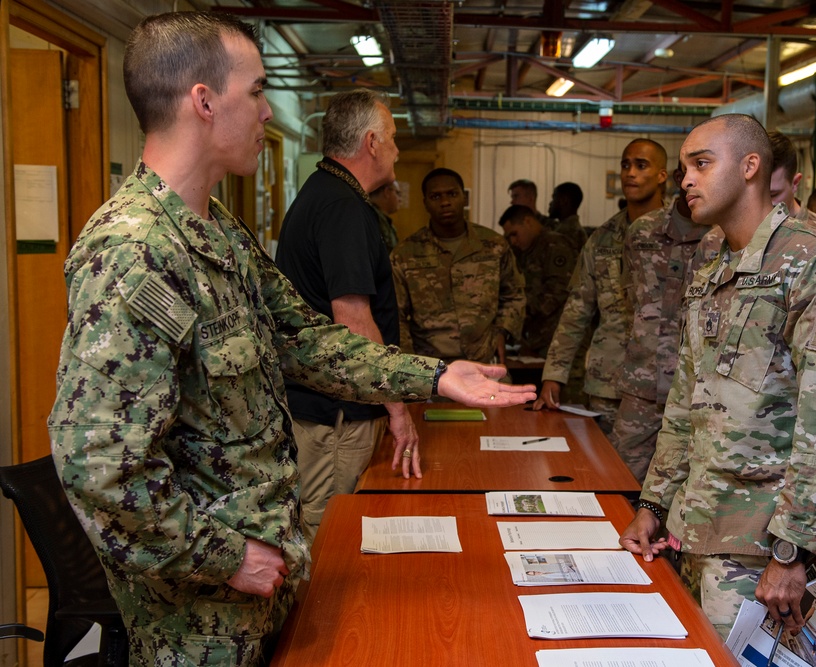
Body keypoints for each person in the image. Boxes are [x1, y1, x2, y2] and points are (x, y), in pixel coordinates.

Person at [46, 13, 535, 666]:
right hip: (201, 620)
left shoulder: (216, 229)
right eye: (256, 92)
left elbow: (303, 338)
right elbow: (99, 469)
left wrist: (435, 376)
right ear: (203, 101)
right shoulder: (136, 251)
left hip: (264, 585)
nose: (268, 113)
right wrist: (227, 557)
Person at [618, 113, 816, 640]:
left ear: (751, 167)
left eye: (702, 164)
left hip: (761, 550)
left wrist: (791, 551)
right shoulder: (713, 259)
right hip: (694, 529)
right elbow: (686, 397)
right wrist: (653, 502)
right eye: (684, 168)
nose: (686, 179)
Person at [274, 90, 417, 545]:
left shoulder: (327, 193)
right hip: (335, 414)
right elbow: (353, 319)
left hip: (330, 405)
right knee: (329, 534)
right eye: (393, 138)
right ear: (372, 143)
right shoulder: (342, 207)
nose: (398, 149)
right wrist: (397, 406)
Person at [532, 141, 666, 435]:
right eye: (625, 165)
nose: (630, 173)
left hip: (666, 385)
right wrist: (554, 374)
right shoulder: (601, 239)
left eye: (641, 165)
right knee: (606, 470)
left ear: (662, 175)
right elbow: (576, 311)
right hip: (609, 381)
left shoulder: (682, 235)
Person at [612, 145, 715, 482]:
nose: (691, 182)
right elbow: (629, 298)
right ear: (674, 177)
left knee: (689, 481)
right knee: (621, 477)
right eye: (686, 172)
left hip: (699, 389)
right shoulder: (642, 231)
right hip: (642, 382)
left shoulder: (721, 237)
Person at [392, 168, 525, 364]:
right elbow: (396, 314)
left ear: (464, 198)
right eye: (435, 196)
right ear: (425, 203)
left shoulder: (494, 246)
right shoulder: (405, 254)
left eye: (452, 194)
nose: (445, 202)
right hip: (430, 368)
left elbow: (514, 294)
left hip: (483, 362)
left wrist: (502, 331)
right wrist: (408, 362)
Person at [499, 205, 578, 357]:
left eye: (514, 234)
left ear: (528, 221)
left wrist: (518, 312)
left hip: (561, 340)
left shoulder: (555, 246)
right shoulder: (525, 251)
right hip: (537, 340)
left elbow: (557, 293)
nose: (513, 241)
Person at [769, 130, 816, 239]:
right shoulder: (740, 232)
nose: (763, 203)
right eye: (756, 194)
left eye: (773, 195)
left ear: (795, 183)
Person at [547, 182, 588, 251]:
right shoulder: (566, 228)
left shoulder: (569, 233)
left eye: (554, 198)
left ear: (564, 201)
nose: (550, 203)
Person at [370, 180, 401, 251]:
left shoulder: (383, 219)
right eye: (398, 193)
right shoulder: (372, 217)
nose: (400, 199)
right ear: (386, 192)